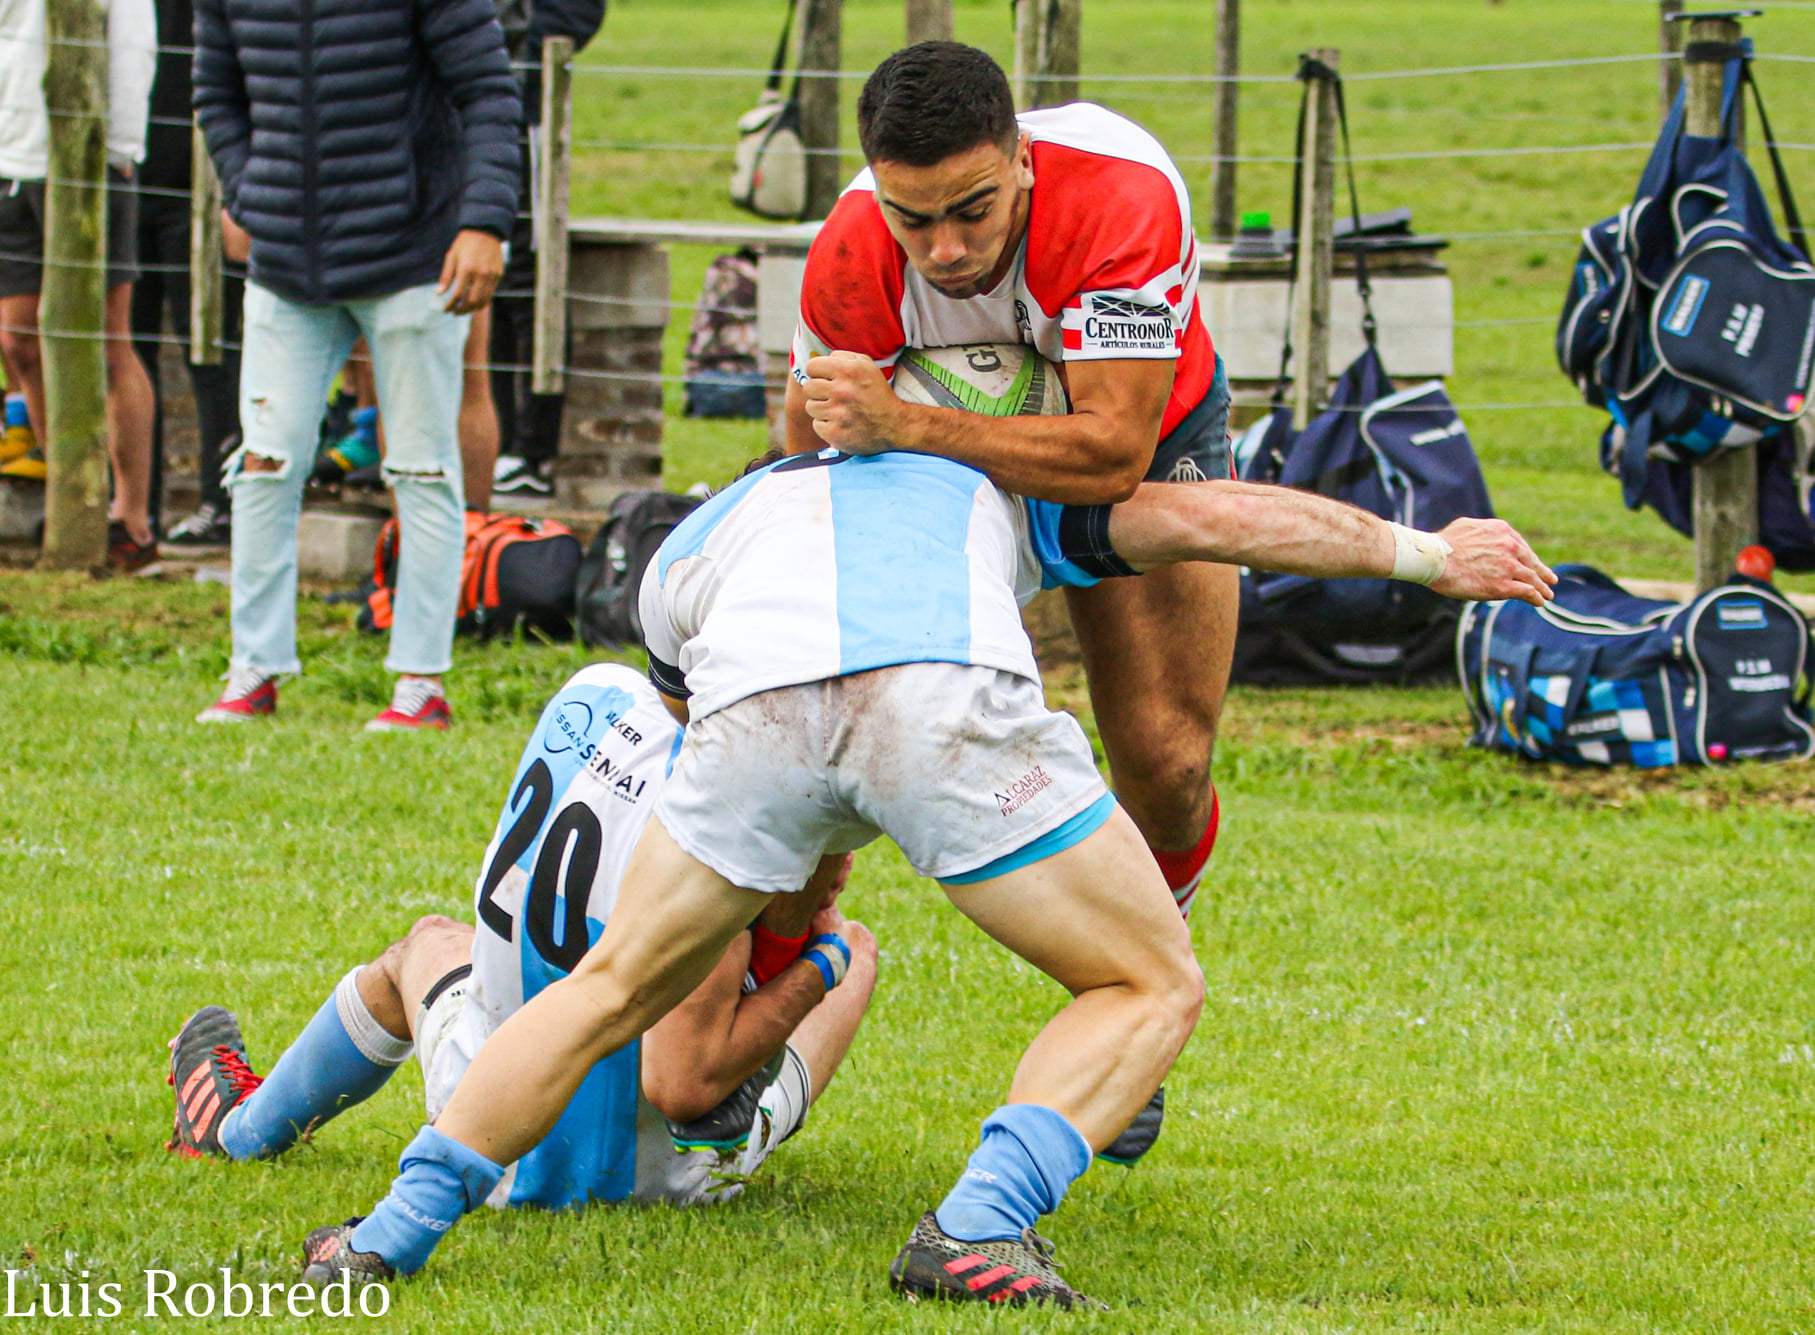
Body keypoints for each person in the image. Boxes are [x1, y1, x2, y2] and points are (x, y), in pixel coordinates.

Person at [295, 436, 1553, 1306]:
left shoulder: (702, 530)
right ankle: (979, 1228)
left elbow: (681, 708)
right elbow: (1221, 517)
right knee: (1147, 982)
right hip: (937, 708)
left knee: (610, 986)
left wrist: (780, 898)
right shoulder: (1005, 477)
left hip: (757, 711)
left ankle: (385, 1238)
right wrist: (1431, 554)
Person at [790, 42, 1258, 1159]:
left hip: (1135, 439)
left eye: (974, 209)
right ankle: (748, 1007)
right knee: (814, 729)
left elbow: (1111, 451)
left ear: (1023, 162)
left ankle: (1147, 978)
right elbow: (808, 448)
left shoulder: (1122, 196)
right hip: (940, 460)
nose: (946, 249)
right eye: (917, 220)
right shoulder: (853, 249)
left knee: (1167, 758)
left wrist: (908, 422)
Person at [167, 661, 877, 1213]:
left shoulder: (594, 692)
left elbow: (679, 1072)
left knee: (426, 946)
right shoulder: (740, 784)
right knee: (855, 950)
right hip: (674, 1165)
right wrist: (827, 960)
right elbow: (685, 1076)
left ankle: (239, 1129)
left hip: (485, 1126)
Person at [191, 0, 521, 730]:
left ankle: (420, 683)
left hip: (411, 256)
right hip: (285, 267)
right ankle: (253, 669)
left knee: (422, 469)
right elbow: (216, 93)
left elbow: (490, 93)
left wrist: (484, 222)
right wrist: (251, 191)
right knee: (264, 465)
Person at [0, 0, 161, 570]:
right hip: (12, 159)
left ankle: (131, 517)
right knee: (18, 337)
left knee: (106, 344)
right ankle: (71, 499)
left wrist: (116, 151)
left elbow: (135, 45)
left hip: (87, 162)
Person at [133, 0, 243, 547]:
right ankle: (135, 508)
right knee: (130, 345)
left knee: (211, 347)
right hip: (126, 171)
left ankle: (221, 501)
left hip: (201, 177)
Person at [487, 0, 606, 499]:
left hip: (525, 113)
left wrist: (518, 65)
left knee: (531, 280)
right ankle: (500, 442)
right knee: (493, 285)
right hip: (471, 115)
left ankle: (531, 451)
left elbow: (577, 15)